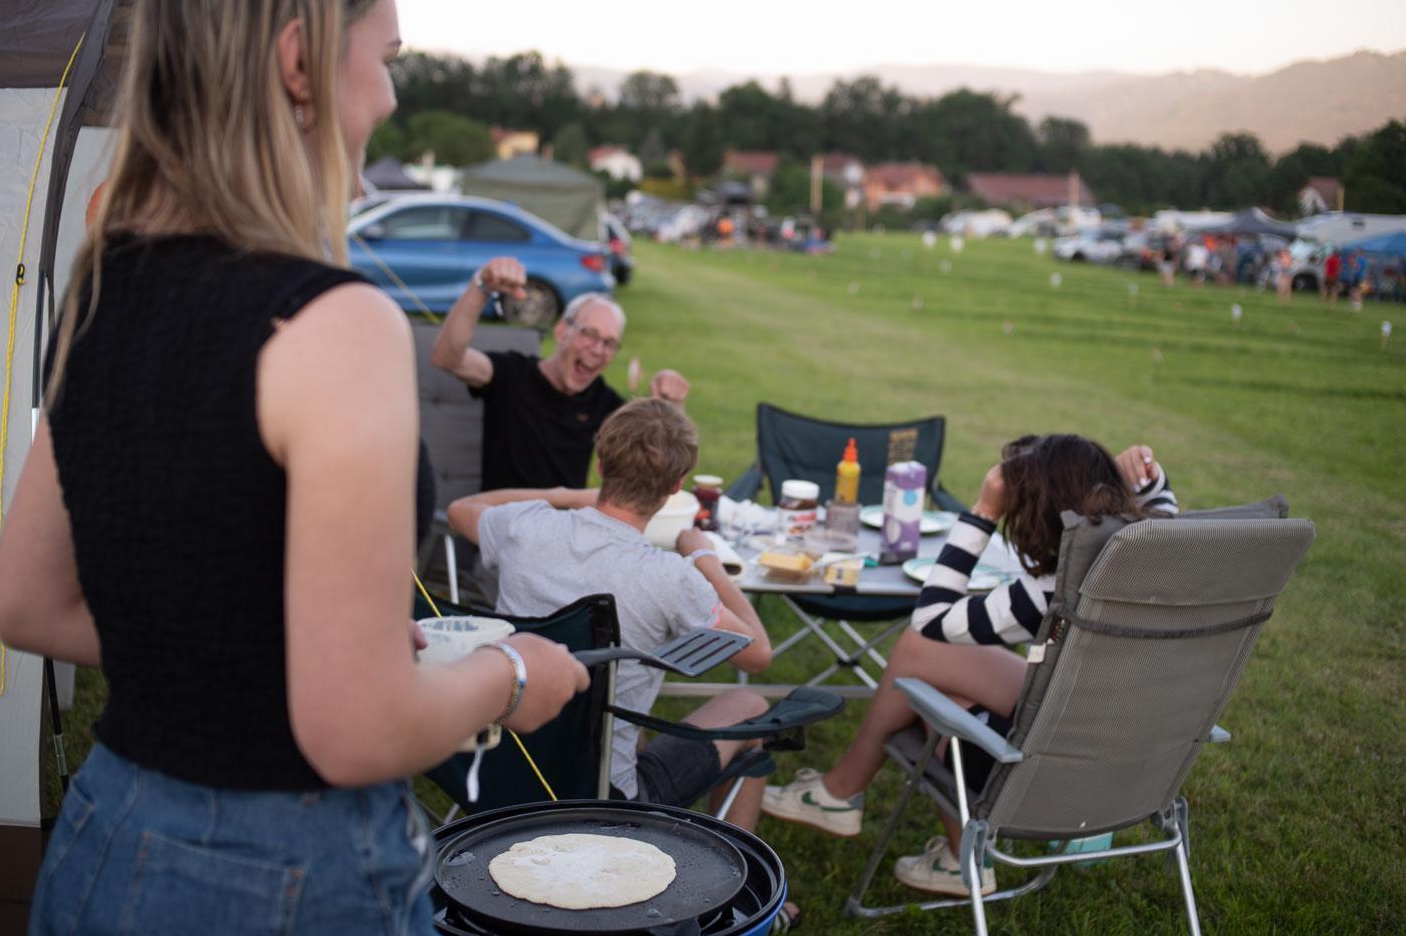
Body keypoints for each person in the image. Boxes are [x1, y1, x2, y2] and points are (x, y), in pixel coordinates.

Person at [0, 0, 588, 932]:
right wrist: (514, 672)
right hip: (283, 876)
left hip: (103, 840)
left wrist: (308, 651)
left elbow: (27, 603)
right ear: (302, 61)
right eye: (387, 55)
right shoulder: (329, 320)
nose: (392, 97)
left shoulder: (102, 285)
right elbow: (354, 730)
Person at [763, 435, 1177, 898]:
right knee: (934, 670)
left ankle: (852, 800)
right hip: (1140, 759)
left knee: (926, 670)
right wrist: (1146, 473)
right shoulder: (1156, 552)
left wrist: (982, 511)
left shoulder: (1048, 591)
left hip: (1042, 776)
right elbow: (1163, 501)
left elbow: (930, 619)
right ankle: (846, 798)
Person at [446, 398, 777, 826]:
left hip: (500, 772)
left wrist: (561, 496)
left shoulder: (527, 528)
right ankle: (745, 884)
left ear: (600, 464)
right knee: (750, 702)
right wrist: (705, 560)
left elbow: (461, 510)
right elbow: (759, 652)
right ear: (677, 484)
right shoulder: (670, 578)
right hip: (604, 795)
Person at [430, 259, 691, 491]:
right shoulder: (512, 374)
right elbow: (447, 357)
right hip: (500, 528)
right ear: (561, 332)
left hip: (566, 533)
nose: (598, 350)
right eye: (589, 334)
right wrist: (481, 287)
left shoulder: (604, 403)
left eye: (609, 343)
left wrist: (673, 403)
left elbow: (661, 462)